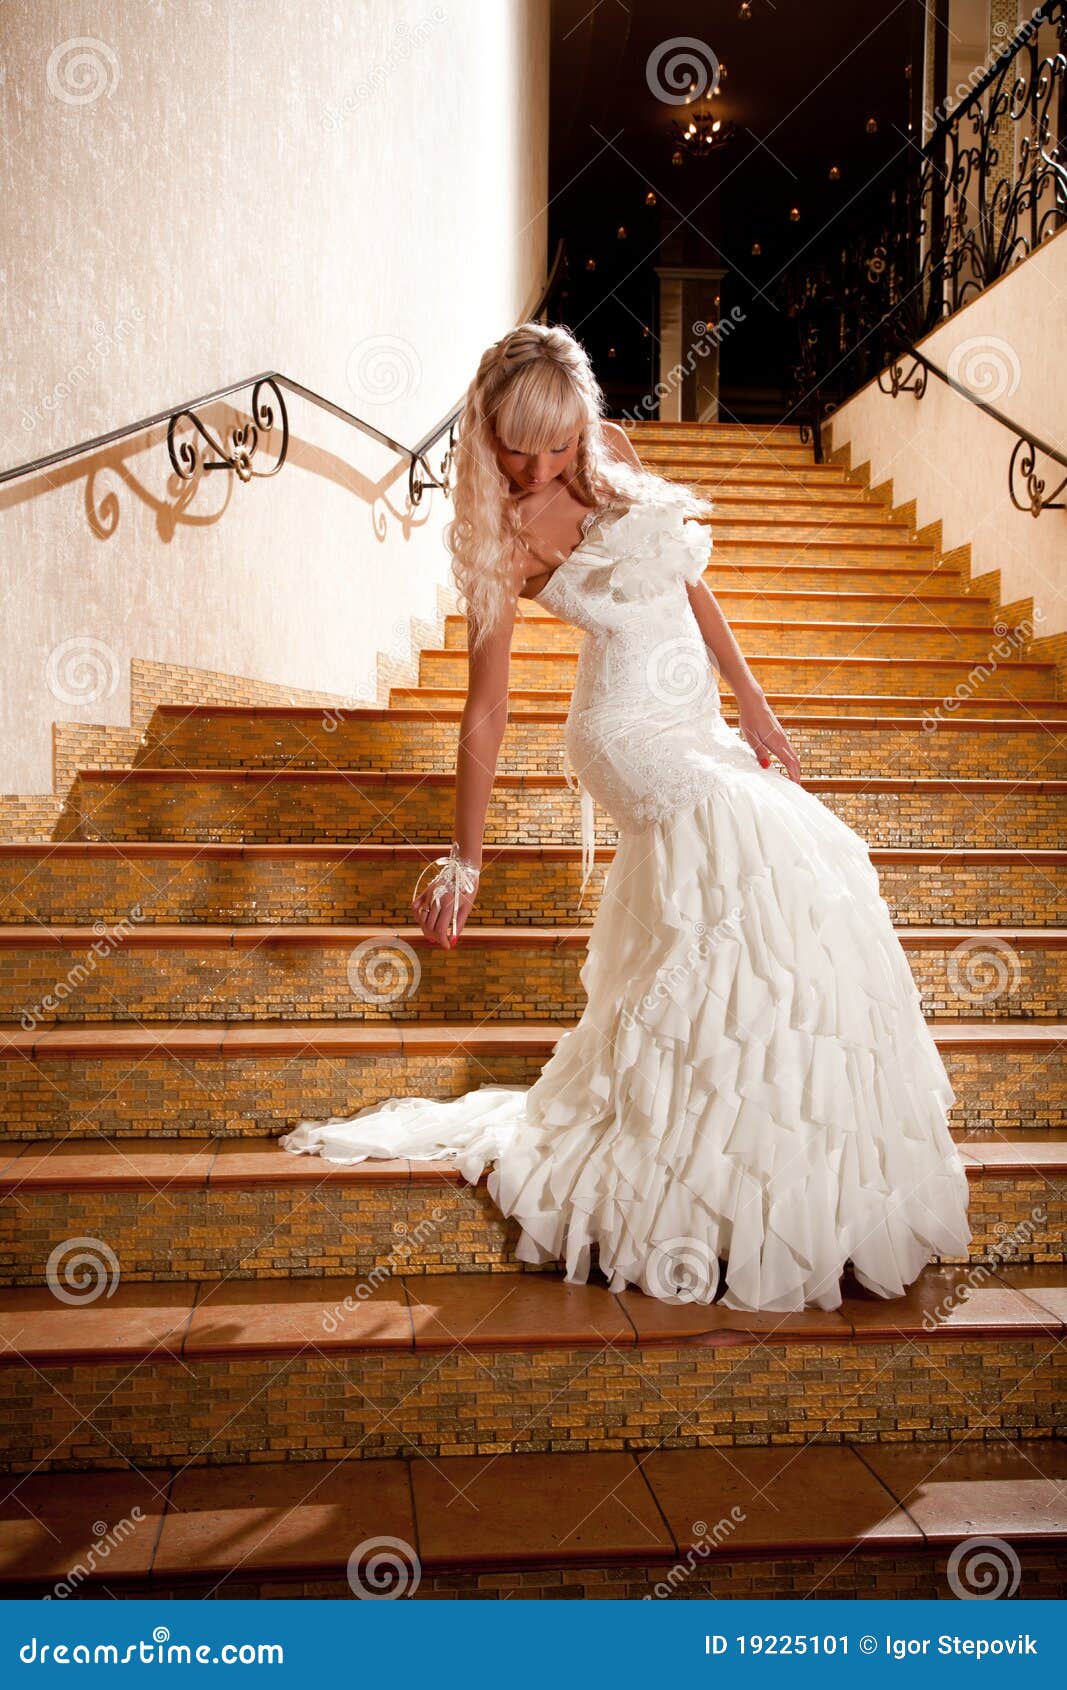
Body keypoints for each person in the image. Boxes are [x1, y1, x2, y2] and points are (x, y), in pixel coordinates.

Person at [280, 322, 971, 1313]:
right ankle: (696, 1169)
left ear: (578, 421)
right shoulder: (498, 534)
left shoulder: (612, 451)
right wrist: (462, 860)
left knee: (791, 892)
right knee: (773, 857)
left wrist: (754, 701)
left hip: (696, 720)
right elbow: (485, 705)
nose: (541, 463)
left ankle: (767, 1166)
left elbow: (693, 588)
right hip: (622, 738)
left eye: (557, 442)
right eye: (520, 445)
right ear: (486, 429)